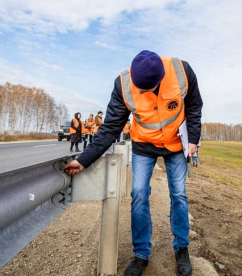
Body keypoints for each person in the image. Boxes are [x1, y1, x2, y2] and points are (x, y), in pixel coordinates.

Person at [61, 50, 203, 276]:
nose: (143, 93)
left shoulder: (182, 72)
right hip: (144, 145)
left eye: (147, 89)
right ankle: (141, 253)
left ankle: (182, 249)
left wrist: (193, 140)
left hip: (176, 145)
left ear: (160, 78)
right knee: (138, 193)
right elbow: (110, 127)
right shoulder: (123, 85)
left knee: (178, 194)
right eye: (141, 89)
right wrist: (84, 160)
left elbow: (194, 106)